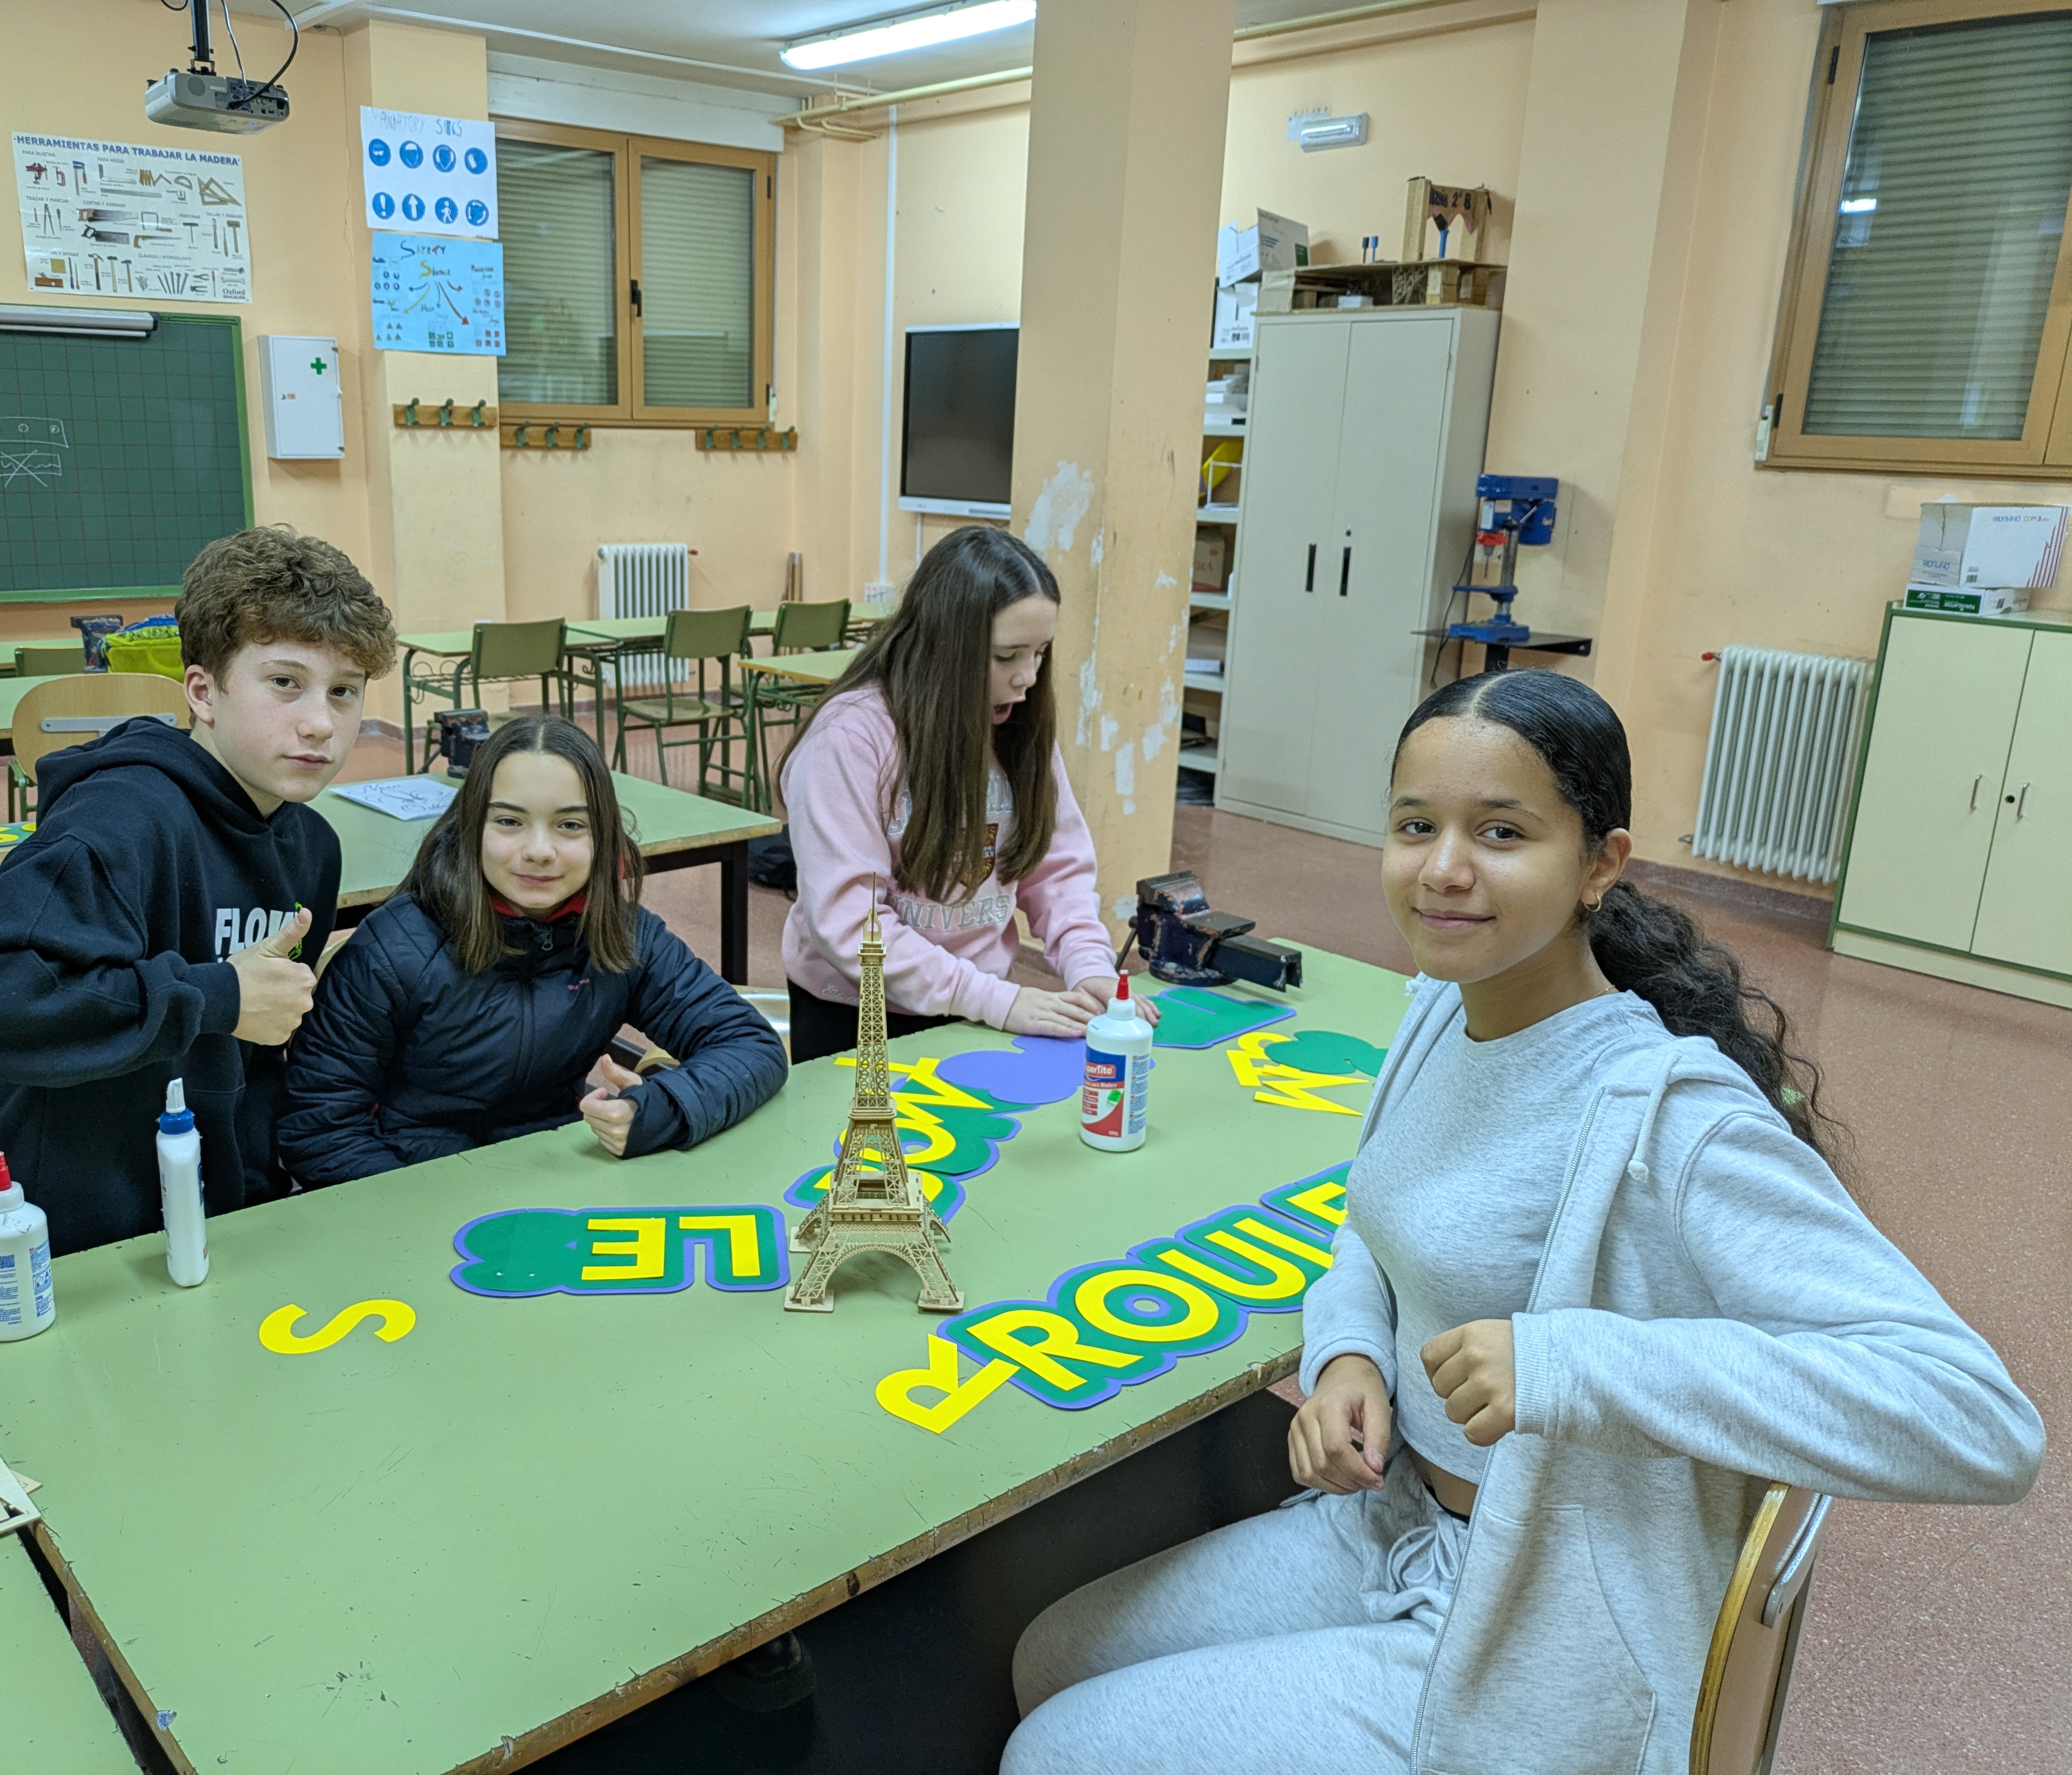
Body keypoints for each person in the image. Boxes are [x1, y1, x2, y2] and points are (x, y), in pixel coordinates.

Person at [1002, 669, 2042, 1775]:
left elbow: (1978, 1419)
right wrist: (1347, 1351)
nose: (1442, 869)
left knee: (1055, 1752)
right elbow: (1372, 1223)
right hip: (1395, 1522)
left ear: (1599, 862)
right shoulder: (1436, 1011)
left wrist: (1569, 1362)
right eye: (1415, 825)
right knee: (1050, 1656)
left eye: (1500, 831)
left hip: (1545, 1615)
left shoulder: (1669, 1114)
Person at [0, 526, 396, 1265]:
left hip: (221, 1216)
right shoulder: (120, 821)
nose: (321, 722)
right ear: (203, 692)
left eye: (344, 691)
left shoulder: (312, 845)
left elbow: (257, 1047)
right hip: (75, 1234)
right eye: (285, 682)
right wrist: (216, 995)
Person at [279, 715, 786, 1183]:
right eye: (509, 822)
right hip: (418, 1180)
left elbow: (749, 1044)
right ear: (471, 828)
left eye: (570, 825)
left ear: (603, 837)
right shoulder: (391, 950)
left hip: (556, 1175)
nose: (539, 851)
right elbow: (319, 1129)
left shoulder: (623, 935)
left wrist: (657, 1110)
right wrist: (418, 1217)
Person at [777, 526, 1153, 1064]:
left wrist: (1088, 964)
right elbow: (852, 924)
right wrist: (995, 999)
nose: (1028, 678)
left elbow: (1055, 870)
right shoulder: (851, 739)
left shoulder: (1018, 728)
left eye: (1040, 652)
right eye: (1006, 656)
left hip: (974, 1004)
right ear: (943, 646)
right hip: (856, 1011)